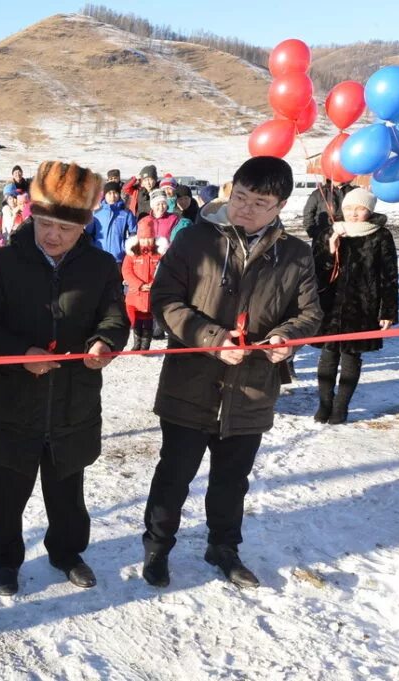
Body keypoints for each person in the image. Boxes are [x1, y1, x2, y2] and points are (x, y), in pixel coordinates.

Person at [142, 156, 322, 590]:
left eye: (260, 203)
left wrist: (286, 337)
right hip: (192, 382)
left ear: (280, 206)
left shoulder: (295, 255)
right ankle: (157, 548)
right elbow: (165, 302)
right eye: (240, 196)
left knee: (231, 480)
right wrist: (209, 337)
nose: (245, 208)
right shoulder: (192, 241)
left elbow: (311, 313)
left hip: (252, 389)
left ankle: (224, 547)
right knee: (174, 474)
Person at [0, 161, 129, 596]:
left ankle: (67, 553)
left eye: (64, 227)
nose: (52, 234)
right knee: (7, 493)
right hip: (15, 401)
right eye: (45, 223)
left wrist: (103, 345)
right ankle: (5, 562)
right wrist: (19, 353)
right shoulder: (3, 263)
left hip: (73, 401)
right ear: (31, 216)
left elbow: (116, 319)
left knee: (67, 492)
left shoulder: (99, 267)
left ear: (84, 227)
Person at [310, 188, 398, 424]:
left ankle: (341, 407)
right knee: (327, 356)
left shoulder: (381, 235)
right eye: (349, 208)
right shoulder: (330, 232)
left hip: (362, 305)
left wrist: (388, 311)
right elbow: (315, 271)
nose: (353, 213)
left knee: (351, 358)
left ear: (369, 210)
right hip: (330, 305)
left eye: (360, 208)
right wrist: (330, 251)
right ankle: (324, 404)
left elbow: (389, 276)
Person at [122, 217, 167, 351]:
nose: (146, 241)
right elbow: (126, 271)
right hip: (136, 293)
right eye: (143, 238)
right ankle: (137, 341)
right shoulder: (132, 254)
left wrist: (154, 284)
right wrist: (139, 284)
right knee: (136, 319)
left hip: (151, 293)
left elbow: (164, 271)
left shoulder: (159, 254)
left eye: (149, 238)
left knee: (148, 318)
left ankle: (146, 343)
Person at [89, 180, 137, 265]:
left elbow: (133, 232)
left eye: (115, 193)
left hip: (118, 257)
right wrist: (94, 247)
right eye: (109, 193)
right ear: (105, 195)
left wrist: (126, 247)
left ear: (119, 194)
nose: (112, 196)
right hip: (99, 256)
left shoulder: (126, 213)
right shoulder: (97, 213)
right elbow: (89, 234)